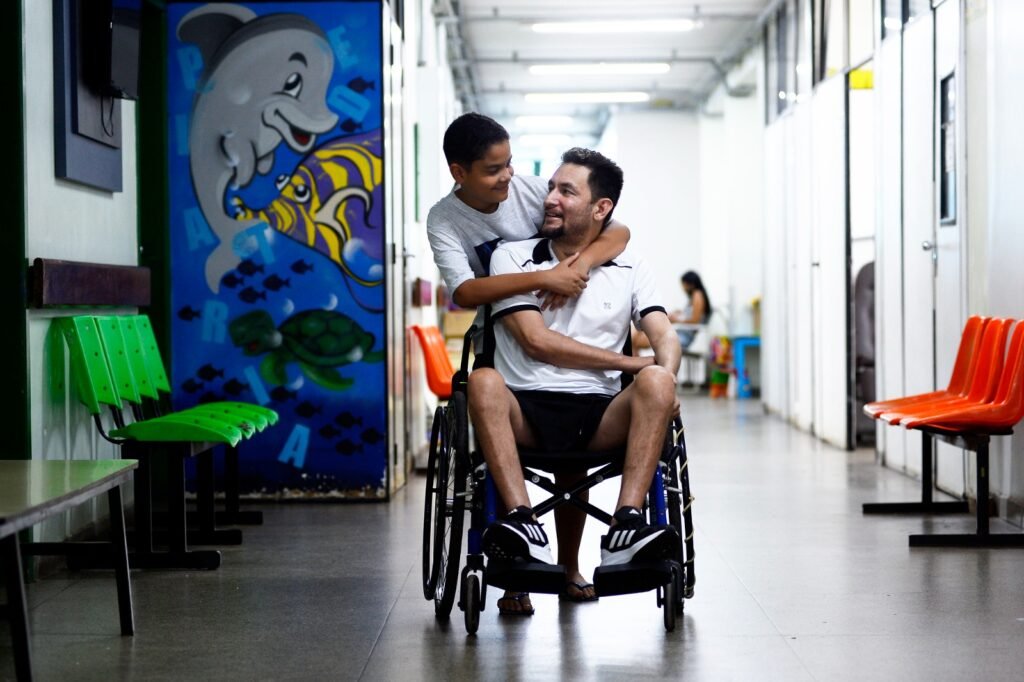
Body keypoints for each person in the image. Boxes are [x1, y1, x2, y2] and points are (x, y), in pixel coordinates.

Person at [426, 113, 632, 613]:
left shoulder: (532, 189)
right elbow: (465, 292)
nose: (508, 176)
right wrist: (542, 278)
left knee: (571, 456)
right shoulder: (445, 220)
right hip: (505, 338)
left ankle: (569, 566)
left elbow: (617, 230)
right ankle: (514, 573)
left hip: (569, 336)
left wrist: (576, 267)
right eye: (493, 169)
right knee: (502, 439)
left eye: (510, 163)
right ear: (459, 173)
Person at [469, 148, 681, 604]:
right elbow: (536, 342)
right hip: (523, 408)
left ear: (600, 208)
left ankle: (627, 523)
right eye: (551, 188)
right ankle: (522, 523)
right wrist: (632, 364)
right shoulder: (513, 258)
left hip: (598, 414)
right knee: (483, 380)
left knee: (659, 380)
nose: (550, 199)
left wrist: (665, 372)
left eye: (566, 191)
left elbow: (663, 334)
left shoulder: (630, 266)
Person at [669, 271, 712, 348]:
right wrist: (679, 313)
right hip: (681, 333)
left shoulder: (697, 295)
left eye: (684, 284)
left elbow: (695, 321)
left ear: (691, 284)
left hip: (685, 336)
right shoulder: (694, 297)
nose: (683, 287)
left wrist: (676, 320)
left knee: (656, 339)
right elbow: (692, 315)